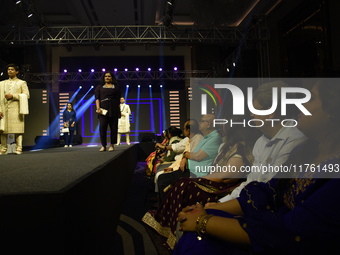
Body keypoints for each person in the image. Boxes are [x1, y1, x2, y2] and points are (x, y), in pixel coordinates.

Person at [174, 80, 340, 255]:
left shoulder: (304, 147)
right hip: (267, 221)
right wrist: (210, 209)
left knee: (197, 239)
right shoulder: (305, 150)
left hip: (281, 237)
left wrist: (204, 220)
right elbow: (265, 192)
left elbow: (290, 232)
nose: (301, 105)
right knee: (191, 226)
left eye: (311, 98)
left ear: (333, 110)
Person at [142, 117, 260, 251]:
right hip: (209, 177)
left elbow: (225, 176)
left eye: (224, 124)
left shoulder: (240, 147)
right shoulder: (224, 143)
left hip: (221, 186)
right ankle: (169, 223)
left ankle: (175, 228)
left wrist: (199, 178)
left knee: (183, 186)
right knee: (178, 182)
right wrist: (186, 159)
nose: (221, 128)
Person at [157, 114, 222, 203]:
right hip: (189, 170)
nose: (200, 123)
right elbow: (192, 154)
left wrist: (185, 155)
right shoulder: (206, 137)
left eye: (202, 121)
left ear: (209, 124)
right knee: (161, 178)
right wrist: (184, 156)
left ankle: (165, 210)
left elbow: (197, 156)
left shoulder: (214, 138)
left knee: (164, 180)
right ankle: (163, 208)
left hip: (197, 174)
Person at [0, 63, 29, 155]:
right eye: (8, 69)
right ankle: (3, 149)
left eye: (12, 69)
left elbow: (26, 95)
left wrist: (13, 96)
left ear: (16, 71)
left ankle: (19, 148)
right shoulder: (2, 83)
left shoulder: (22, 83)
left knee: (18, 129)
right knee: (3, 130)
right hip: (5, 108)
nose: (10, 71)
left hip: (17, 109)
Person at [95, 71, 121, 152]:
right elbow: (97, 99)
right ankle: (103, 145)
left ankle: (112, 145)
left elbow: (118, 100)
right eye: (105, 76)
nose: (107, 77)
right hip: (103, 109)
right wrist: (98, 108)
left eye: (109, 76)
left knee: (114, 128)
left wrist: (118, 111)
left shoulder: (116, 87)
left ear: (112, 77)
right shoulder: (99, 87)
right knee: (102, 128)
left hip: (113, 109)